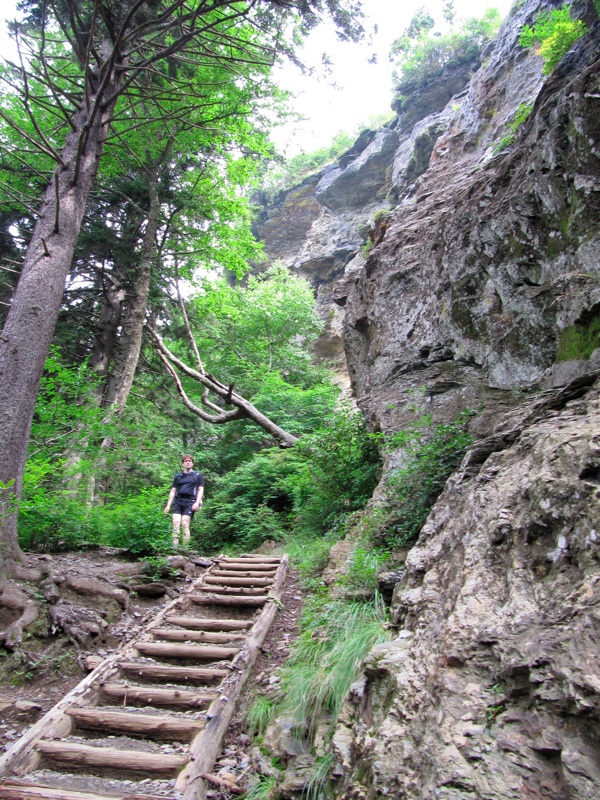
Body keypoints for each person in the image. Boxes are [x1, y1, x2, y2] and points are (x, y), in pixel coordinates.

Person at [164, 455, 204, 548]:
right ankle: (175, 548)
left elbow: (200, 490)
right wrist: (168, 505)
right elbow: (173, 491)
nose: (188, 462)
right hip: (178, 501)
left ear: (192, 463)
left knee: (185, 523)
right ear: (183, 463)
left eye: (189, 461)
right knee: (176, 522)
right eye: (186, 461)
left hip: (190, 501)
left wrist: (197, 502)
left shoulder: (197, 475)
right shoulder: (178, 476)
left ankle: (185, 549)